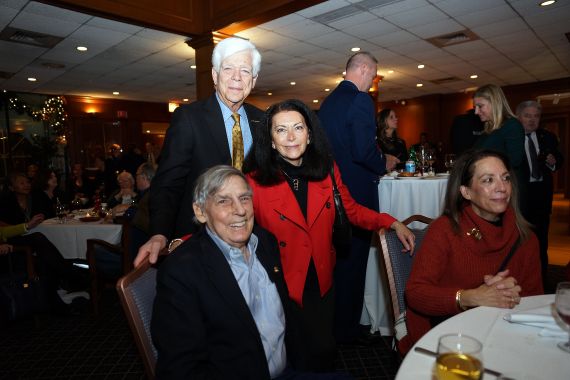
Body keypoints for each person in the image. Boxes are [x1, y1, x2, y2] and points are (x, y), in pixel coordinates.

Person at [243, 99, 415, 370]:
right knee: (285, 357)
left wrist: (390, 222)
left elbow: (352, 210)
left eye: (298, 127)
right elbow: (231, 225)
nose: (290, 137)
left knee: (322, 351)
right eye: (281, 130)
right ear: (271, 140)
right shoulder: (254, 180)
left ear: (309, 135)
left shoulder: (327, 171)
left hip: (321, 277)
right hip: (278, 284)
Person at [151, 165, 349, 379]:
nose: (240, 210)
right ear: (200, 212)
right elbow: (180, 369)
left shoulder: (265, 243)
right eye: (223, 201)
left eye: (244, 198)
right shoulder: (181, 272)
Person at [135, 37, 264, 267]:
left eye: (245, 70)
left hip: (249, 239)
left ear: (253, 80)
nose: (237, 77)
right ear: (215, 76)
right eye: (228, 68)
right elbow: (168, 182)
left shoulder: (262, 120)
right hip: (200, 241)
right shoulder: (189, 118)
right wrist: (159, 233)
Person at [403, 150, 543, 353]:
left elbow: (534, 300)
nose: (502, 187)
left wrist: (511, 294)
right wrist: (470, 297)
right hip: (445, 333)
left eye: (505, 178)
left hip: (503, 333)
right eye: (488, 180)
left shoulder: (526, 238)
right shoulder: (445, 231)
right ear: (466, 192)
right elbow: (415, 293)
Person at [318, 51, 399, 343]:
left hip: (332, 192)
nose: (373, 82)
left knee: (339, 263)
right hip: (357, 195)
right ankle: (348, 331)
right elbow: (363, 151)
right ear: (363, 69)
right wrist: (384, 162)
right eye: (374, 75)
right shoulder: (361, 100)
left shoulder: (327, 103)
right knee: (354, 263)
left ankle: (334, 324)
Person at [516, 100, 564, 288]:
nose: (532, 120)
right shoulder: (512, 138)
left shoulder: (547, 137)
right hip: (520, 199)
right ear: (519, 117)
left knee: (541, 244)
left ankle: (541, 283)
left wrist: (553, 161)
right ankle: (520, 283)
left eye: (536, 116)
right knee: (520, 244)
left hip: (541, 198)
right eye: (528, 116)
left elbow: (559, 159)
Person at [472, 84, 526, 209]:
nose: (476, 112)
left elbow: (515, 160)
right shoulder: (489, 130)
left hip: (506, 192)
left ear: (495, 103)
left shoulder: (512, 126)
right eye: (475, 107)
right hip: (492, 189)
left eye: (480, 106)